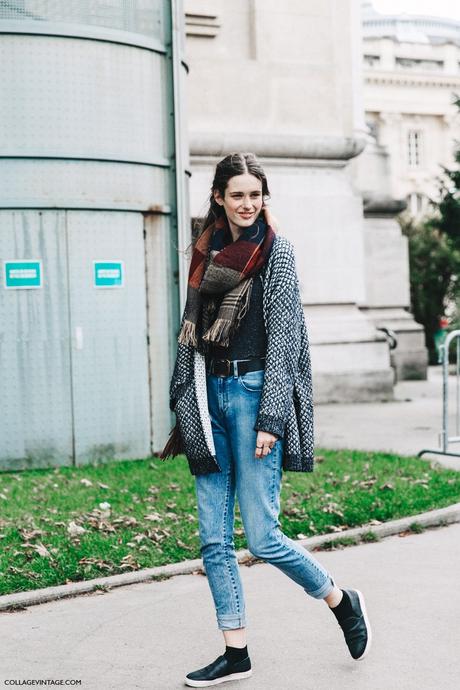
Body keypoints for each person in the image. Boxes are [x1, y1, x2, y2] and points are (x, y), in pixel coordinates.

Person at [161, 152, 372, 687]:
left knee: (262, 537)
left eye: (256, 194)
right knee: (213, 538)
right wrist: (186, 398)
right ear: (219, 199)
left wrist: (272, 418)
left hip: (255, 396)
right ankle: (236, 652)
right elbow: (191, 337)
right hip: (209, 398)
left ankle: (340, 599)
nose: (248, 204)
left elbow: (285, 339)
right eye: (238, 195)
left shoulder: (277, 254)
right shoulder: (204, 256)